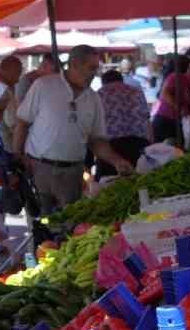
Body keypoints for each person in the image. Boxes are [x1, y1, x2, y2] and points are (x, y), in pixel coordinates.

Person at [13, 43, 134, 210]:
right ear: (75, 64)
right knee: (42, 221)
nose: (95, 73)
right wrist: (18, 157)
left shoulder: (93, 98)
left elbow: (96, 140)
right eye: (91, 68)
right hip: (39, 170)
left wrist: (117, 161)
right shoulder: (43, 86)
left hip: (73, 173)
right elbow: (22, 122)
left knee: (69, 221)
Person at [97, 68, 151, 175]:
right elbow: (146, 119)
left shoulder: (99, 94)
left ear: (103, 82)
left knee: (110, 181)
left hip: (111, 146)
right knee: (139, 178)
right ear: (121, 80)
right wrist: (150, 144)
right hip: (139, 142)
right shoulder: (136, 91)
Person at [151, 55, 190, 144]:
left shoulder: (181, 77)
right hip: (166, 119)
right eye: (189, 66)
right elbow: (165, 94)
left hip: (173, 119)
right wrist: (179, 108)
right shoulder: (175, 76)